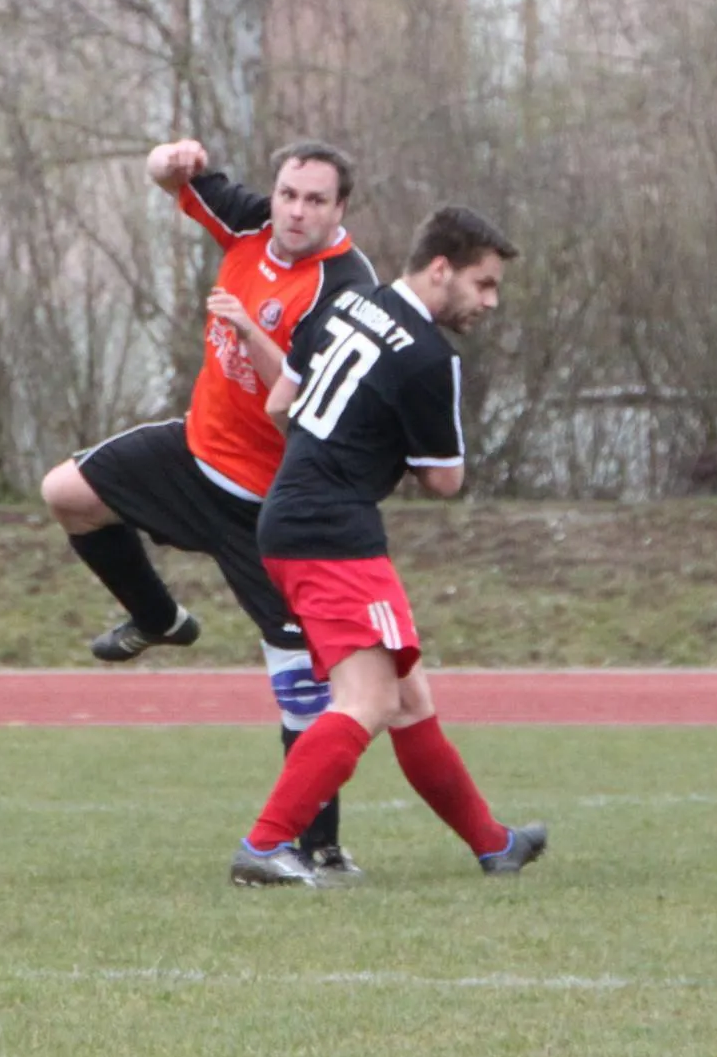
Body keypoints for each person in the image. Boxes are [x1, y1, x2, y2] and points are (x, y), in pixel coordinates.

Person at [40, 138, 377, 876]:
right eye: (288, 194)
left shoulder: (348, 289)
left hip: (273, 506)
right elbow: (169, 179)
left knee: (301, 682)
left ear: (340, 209)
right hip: (194, 457)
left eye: (315, 200)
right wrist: (169, 159)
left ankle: (319, 848)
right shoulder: (251, 223)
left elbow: (299, 405)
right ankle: (160, 618)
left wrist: (251, 331)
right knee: (67, 494)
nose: (296, 211)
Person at [228, 206, 548, 888]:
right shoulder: (430, 357)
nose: (491, 302)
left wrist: (344, 445)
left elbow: (281, 405)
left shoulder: (346, 302)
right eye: (484, 284)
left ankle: (494, 845)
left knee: (409, 701)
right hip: (333, 534)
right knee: (367, 701)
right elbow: (444, 481)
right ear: (441, 269)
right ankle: (265, 845)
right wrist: (371, 453)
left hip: (291, 516)